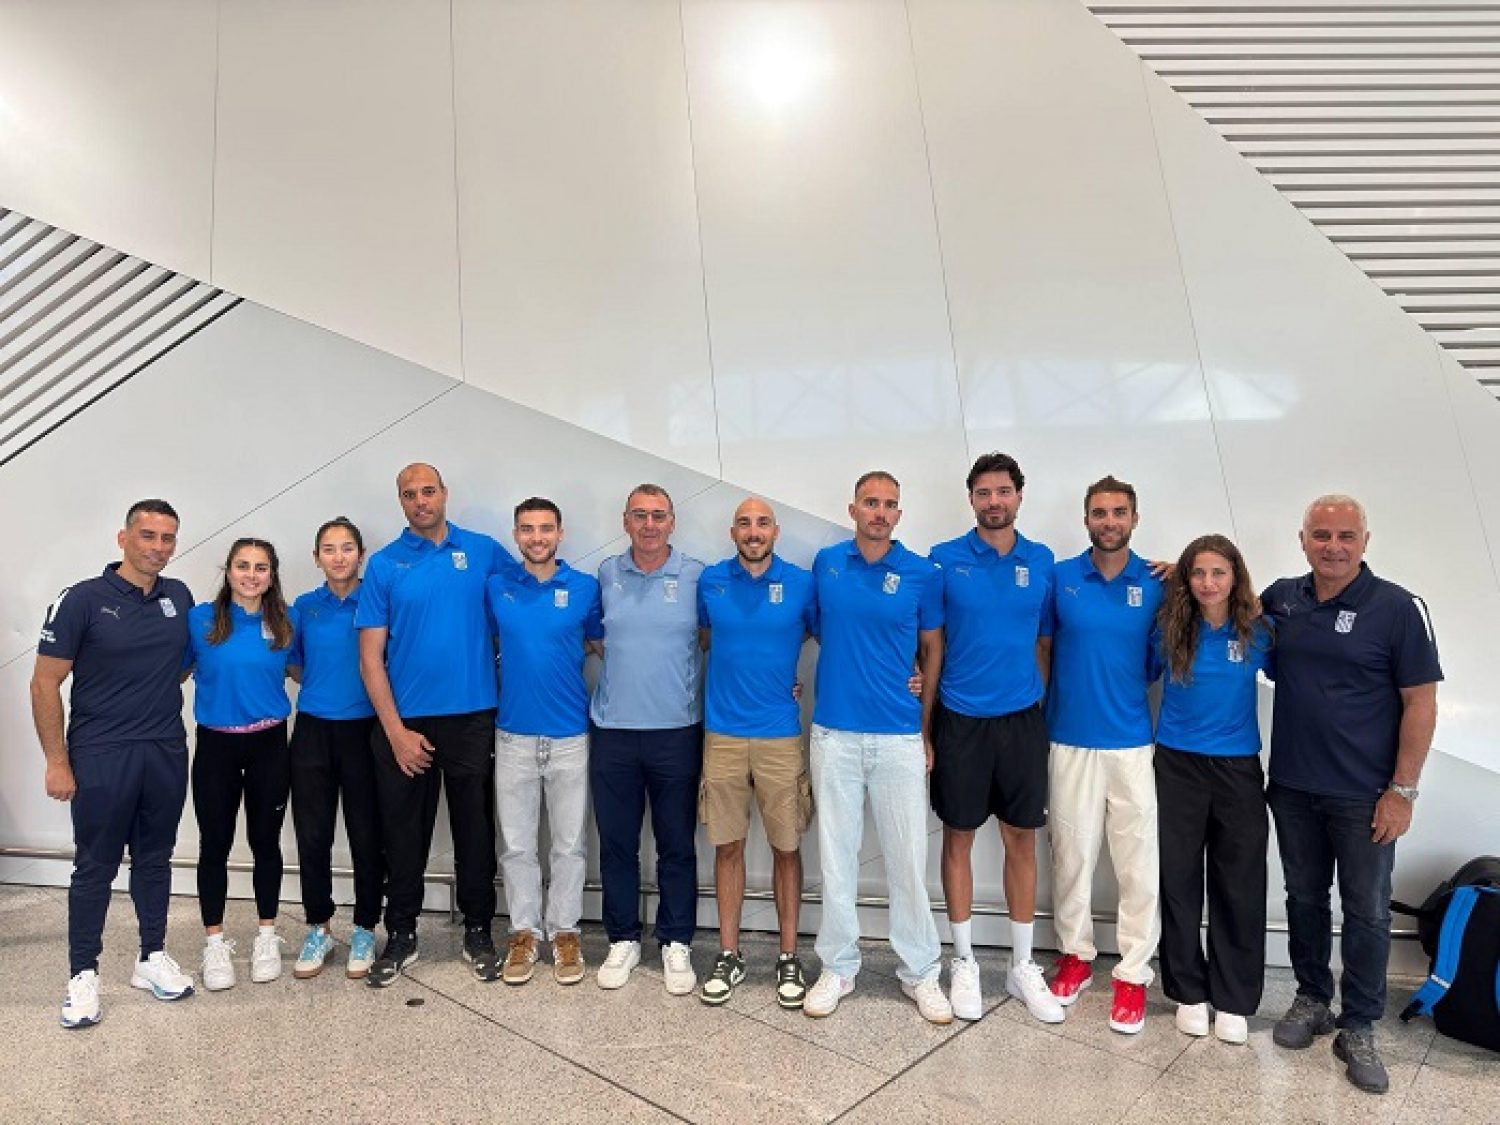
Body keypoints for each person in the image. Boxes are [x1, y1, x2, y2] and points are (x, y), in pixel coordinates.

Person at [1261, 495, 1441, 1094]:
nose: (1332, 547)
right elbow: (1222, 604)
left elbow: (1421, 703)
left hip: (1366, 795)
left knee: (1366, 909)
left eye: (1345, 536)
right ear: (1302, 539)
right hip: (1292, 786)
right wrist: (1174, 570)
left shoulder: (1396, 608)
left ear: (1365, 541)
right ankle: (1312, 998)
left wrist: (1403, 791)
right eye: (1321, 535)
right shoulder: (1283, 598)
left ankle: (1359, 1024)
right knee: (1304, 897)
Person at [33, 499, 197, 1028]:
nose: (158, 547)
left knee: (155, 859)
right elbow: (44, 683)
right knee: (96, 865)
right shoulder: (82, 599)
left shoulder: (179, 596)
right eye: (148, 535)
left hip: (165, 749)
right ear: (123, 538)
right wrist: (57, 761)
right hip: (102, 753)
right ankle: (83, 974)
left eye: (167, 538)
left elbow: (178, 668)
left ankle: (151, 957)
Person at [356, 463, 515, 986]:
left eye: (428, 490)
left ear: (445, 493)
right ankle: (401, 934)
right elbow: (370, 659)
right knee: (403, 836)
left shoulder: (485, 552)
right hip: (406, 724)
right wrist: (395, 733)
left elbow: (520, 613)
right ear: (400, 501)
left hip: (472, 716)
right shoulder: (384, 564)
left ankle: (478, 929)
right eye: (410, 494)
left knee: (475, 831)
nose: (421, 500)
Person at [803, 471, 951, 1024]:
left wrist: (925, 728)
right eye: (871, 502)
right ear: (853, 509)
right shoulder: (827, 564)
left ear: (899, 514)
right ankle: (838, 967)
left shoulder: (921, 573)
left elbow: (932, 649)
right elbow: (817, 629)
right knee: (836, 860)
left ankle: (921, 973)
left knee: (908, 861)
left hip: (898, 737)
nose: (880, 512)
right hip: (835, 734)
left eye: (889, 505)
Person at [929, 453, 1063, 1025]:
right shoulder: (943, 559)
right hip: (960, 719)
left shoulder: (1042, 561)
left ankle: (1022, 964)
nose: (994, 501)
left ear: (1019, 496)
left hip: (1021, 722)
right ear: (971, 499)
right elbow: (928, 641)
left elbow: (1045, 644)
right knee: (958, 837)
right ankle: (963, 961)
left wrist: (1032, 702)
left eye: (1003, 491)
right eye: (983, 493)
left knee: (1021, 840)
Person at [1044, 475, 1164, 1034]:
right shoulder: (1060, 578)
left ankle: (1133, 974)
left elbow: (1162, 659)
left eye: (1119, 512)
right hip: (1069, 738)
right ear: (1086, 518)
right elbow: (1042, 648)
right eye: (1099, 512)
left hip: (1132, 742)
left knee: (1138, 864)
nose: (1109, 521)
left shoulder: (1159, 584)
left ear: (1134, 519)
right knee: (1071, 857)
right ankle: (1075, 955)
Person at [695, 497, 817, 1008]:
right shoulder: (711, 582)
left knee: (787, 847)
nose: (753, 531)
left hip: (779, 736)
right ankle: (730, 953)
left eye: (762, 523)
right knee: (728, 846)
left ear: (775, 531)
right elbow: (705, 638)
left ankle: (788, 955)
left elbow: (823, 633)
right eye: (744, 523)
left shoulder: (802, 583)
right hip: (722, 734)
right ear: (732, 531)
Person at [1153, 534, 1272, 1046]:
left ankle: (1234, 998)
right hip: (1177, 765)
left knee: (1239, 883)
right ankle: (1188, 991)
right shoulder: (1169, 628)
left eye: (1218, 573)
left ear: (1235, 576)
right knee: (1179, 879)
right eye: (1198, 573)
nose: (1207, 583)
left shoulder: (1259, 631)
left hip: (1237, 769)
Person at [590, 484, 706, 995]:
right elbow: (595, 638)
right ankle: (623, 938)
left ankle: (676, 940)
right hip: (614, 732)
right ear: (626, 521)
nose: (649, 524)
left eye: (659, 515)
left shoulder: (697, 576)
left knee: (676, 844)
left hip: (676, 732)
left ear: (672, 521)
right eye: (640, 515)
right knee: (617, 845)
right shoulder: (606, 574)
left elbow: (713, 638)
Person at [486, 498, 602, 986]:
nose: (537, 537)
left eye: (546, 528)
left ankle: (565, 931)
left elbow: (603, 647)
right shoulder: (497, 587)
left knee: (569, 845)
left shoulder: (585, 588)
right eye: (527, 529)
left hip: (570, 734)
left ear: (560, 533)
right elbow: (485, 645)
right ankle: (524, 932)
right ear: (516, 535)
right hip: (513, 734)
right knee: (516, 845)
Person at [185, 538, 299, 991]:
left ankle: (266, 935)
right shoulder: (200, 620)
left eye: (261, 567)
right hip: (216, 746)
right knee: (214, 844)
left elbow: (306, 672)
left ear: (272, 575)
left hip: (269, 744)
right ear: (228, 570)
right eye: (243, 565)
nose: (251, 575)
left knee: (265, 842)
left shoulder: (286, 622)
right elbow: (171, 671)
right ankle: (214, 943)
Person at [286, 517, 384, 980]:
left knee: (367, 834)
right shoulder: (304, 607)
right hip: (313, 731)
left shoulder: (377, 600)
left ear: (361, 555)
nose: (338, 557)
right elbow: (295, 666)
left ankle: (365, 927)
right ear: (317, 557)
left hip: (365, 731)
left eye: (347, 548)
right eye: (329, 549)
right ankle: (319, 927)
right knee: (313, 834)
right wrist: (327, 692)